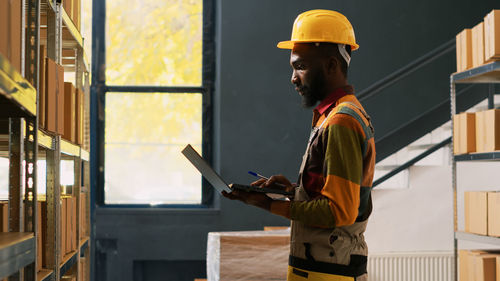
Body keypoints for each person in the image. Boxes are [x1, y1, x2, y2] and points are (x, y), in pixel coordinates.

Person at [223, 9, 375, 281]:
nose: (293, 77)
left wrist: (266, 204)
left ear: (331, 65)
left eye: (300, 66)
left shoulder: (341, 121)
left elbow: (338, 210)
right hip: (322, 268)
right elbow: (333, 196)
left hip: (328, 272)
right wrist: (294, 191)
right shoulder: (332, 117)